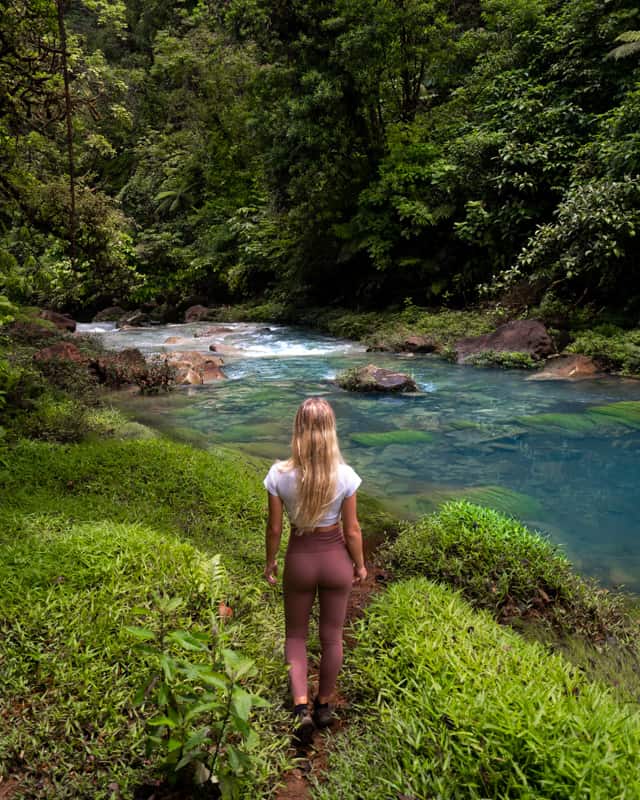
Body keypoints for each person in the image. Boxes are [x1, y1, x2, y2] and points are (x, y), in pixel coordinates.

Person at [263, 397, 367, 744]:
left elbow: (275, 528)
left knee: (295, 635)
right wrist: (361, 565)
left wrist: (270, 560)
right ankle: (324, 705)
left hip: (300, 558)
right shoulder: (345, 476)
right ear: (330, 431)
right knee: (332, 636)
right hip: (335, 558)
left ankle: (300, 707)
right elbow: (352, 530)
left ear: (298, 430)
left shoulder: (279, 474)